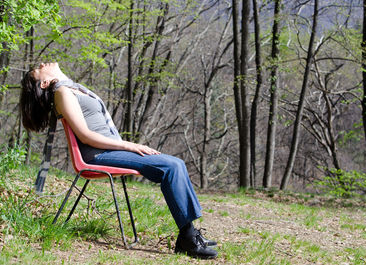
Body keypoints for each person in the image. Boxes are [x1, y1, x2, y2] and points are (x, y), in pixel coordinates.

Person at [20, 62, 218, 259]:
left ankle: (189, 233)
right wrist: (130, 145)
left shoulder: (69, 88)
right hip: (98, 155)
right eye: (38, 69)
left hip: (108, 150)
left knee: (176, 164)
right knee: (171, 166)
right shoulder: (62, 93)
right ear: (44, 83)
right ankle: (189, 238)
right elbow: (85, 136)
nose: (42, 63)